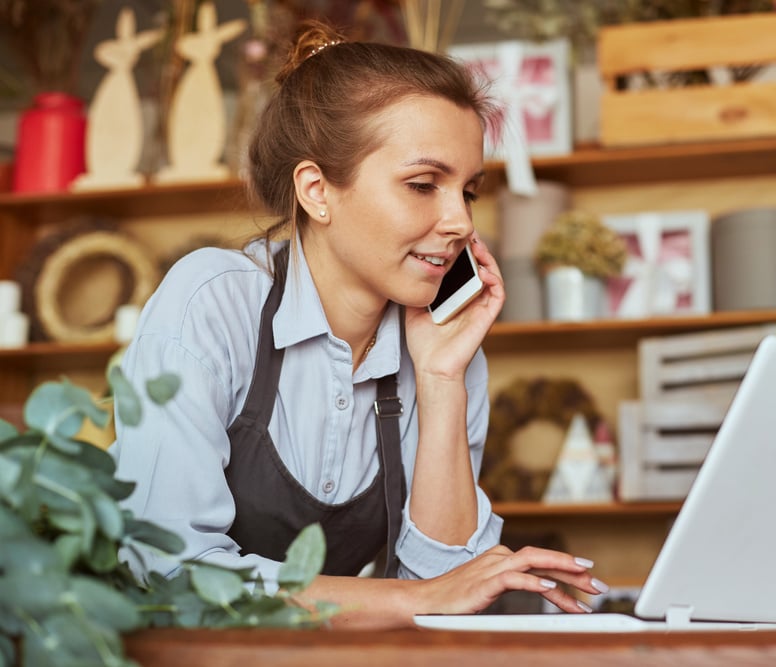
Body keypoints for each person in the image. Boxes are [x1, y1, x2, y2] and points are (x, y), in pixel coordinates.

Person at [111, 21, 606, 629]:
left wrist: (442, 378)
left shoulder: (443, 344)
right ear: (317, 191)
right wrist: (408, 601)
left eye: (469, 192)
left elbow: (449, 596)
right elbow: (167, 574)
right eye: (424, 185)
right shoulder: (212, 302)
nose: (458, 222)